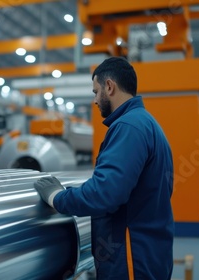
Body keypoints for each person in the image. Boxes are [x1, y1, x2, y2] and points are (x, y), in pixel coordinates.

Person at [34, 57, 174, 279]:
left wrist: (57, 198)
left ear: (109, 87)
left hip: (130, 259)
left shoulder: (128, 127)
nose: (95, 100)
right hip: (149, 254)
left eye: (95, 91)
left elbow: (106, 193)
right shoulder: (146, 123)